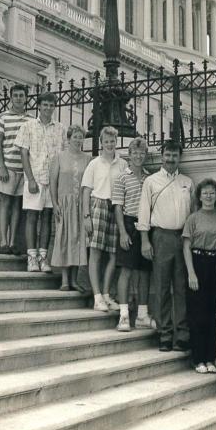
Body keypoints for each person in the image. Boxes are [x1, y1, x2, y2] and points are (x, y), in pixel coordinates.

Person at [137, 140, 195, 352]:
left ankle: (181, 334)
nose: (171, 159)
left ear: (180, 158)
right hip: (160, 237)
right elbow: (143, 212)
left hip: (182, 238)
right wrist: (145, 240)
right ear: (162, 156)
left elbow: (193, 214)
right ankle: (164, 333)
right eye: (167, 155)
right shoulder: (151, 181)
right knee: (161, 286)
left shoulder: (187, 182)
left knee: (181, 287)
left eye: (175, 156)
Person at [16, 92, 66, 273]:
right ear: (39, 106)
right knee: (31, 217)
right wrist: (30, 179)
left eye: (51, 105)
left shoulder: (60, 128)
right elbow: (23, 154)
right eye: (45, 105)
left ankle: (43, 258)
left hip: (52, 182)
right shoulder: (28, 126)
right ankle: (32, 258)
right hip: (35, 178)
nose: (48, 108)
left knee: (47, 217)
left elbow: (63, 157)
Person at [183, 178, 216, 373]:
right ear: (200, 196)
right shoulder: (193, 218)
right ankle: (198, 358)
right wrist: (191, 273)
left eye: (212, 193)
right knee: (197, 314)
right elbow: (186, 246)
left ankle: (211, 358)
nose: (209, 196)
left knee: (213, 314)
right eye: (205, 193)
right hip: (197, 263)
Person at [112, 136, 155, 331]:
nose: (138, 156)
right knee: (126, 270)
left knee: (144, 271)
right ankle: (123, 316)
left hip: (145, 226)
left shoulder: (149, 178)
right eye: (135, 153)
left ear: (145, 155)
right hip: (128, 225)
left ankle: (143, 315)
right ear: (129, 155)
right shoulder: (121, 177)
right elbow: (118, 207)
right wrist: (122, 232)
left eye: (142, 153)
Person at [82, 126, 127, 311]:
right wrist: (86, 216)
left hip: (116, 207)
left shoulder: (122, 164)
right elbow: (86, 190)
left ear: (116, 142)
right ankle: (97, 296)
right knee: (95, 252)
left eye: (112, 141)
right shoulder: (94, 163)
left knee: (114, 254)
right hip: (98, 205)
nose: (110, 144)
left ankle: (107, 294)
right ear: (101, 143)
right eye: (106, 141)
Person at [49, 124, 91, 289]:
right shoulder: (59, 157)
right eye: (75, 136)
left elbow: (88, 184)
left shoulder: (88, 159)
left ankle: (74, 280)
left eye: (80, 137)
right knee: (64, 239)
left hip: (80, 205)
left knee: (78, 240)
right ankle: (65, 280)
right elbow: (53, 182)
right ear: (69, 138)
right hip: (64, 205)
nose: (78, 140)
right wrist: (54, 204)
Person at [0, 85, 31, 253]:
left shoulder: (31, 120)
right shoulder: (2, 117)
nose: (18, 98)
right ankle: (3, 241)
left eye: (21, 95)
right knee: (5, 204)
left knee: (17, 206)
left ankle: (13, 241)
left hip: (24, 169)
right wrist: (1, 166)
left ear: (26, 98)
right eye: (15, 95)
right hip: (7, 166)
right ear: (10, 97)